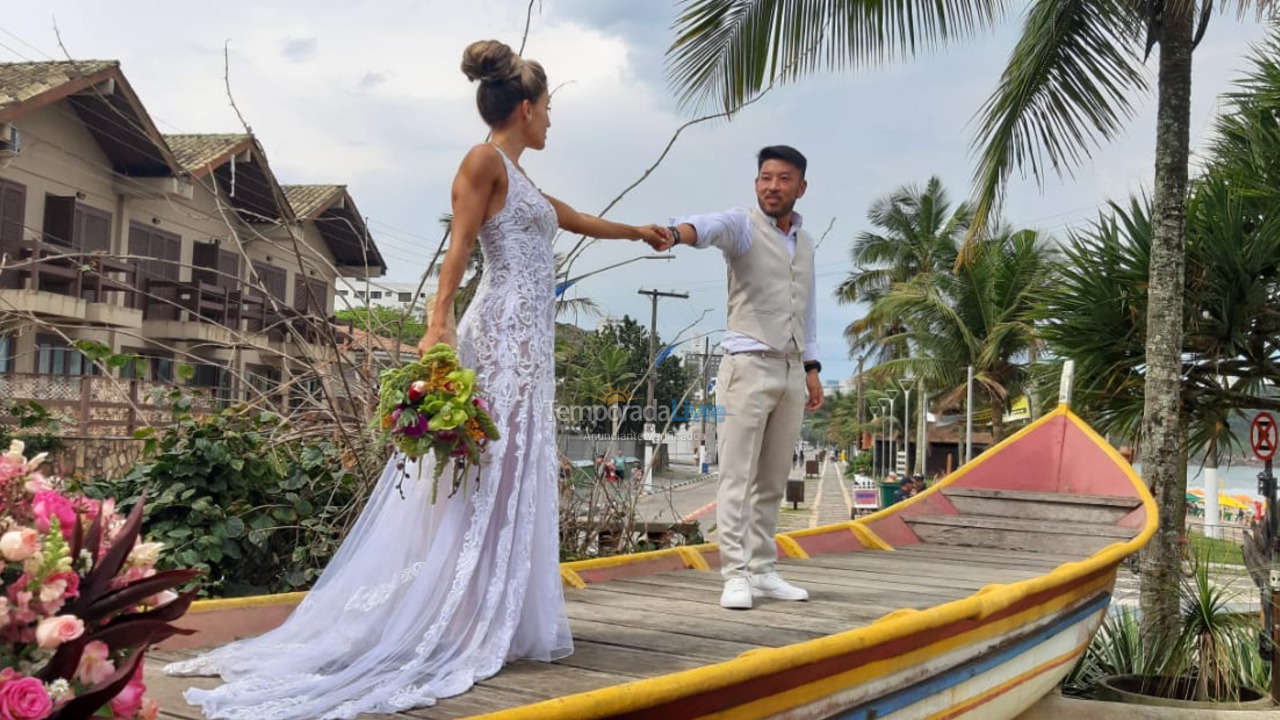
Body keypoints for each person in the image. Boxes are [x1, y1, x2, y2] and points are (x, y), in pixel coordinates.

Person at [167, 39, 670, 719]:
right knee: (485, 468)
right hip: (496, 338)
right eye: (548, 109)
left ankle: (489, 611)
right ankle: (457, 618)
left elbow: (571, 218)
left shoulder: (518, 178)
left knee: (515, 465)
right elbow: (460, 246)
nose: (552, 121)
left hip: (530, 346)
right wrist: (437, 324)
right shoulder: (481, 161)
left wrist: (639, 231)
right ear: (524, 109)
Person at [664, 145, 823, 610]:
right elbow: (707, 227)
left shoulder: (806, 241)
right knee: (736, 475)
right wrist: (676, 233)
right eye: (765, 177)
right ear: (757, 183)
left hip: (792, 368)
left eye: (784, 178)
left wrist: (812, 369)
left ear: (801, 187)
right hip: (747, 366)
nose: (773, 186)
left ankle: (763, 569)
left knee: (773, 478)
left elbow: (808, 309)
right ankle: (734, 574)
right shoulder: (743, 227)